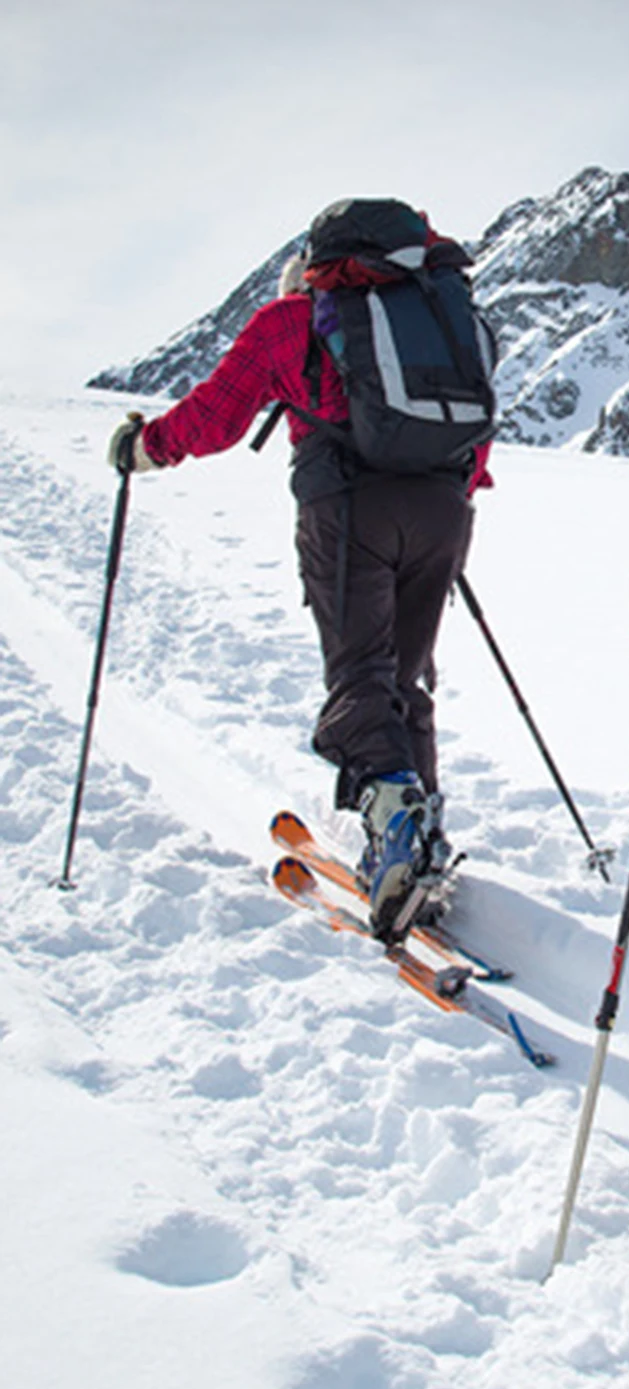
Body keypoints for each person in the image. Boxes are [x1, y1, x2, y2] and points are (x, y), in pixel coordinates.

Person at [106, 199, 493, 939]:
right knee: (404, 679)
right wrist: (444, 501)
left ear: (314, 269)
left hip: (347, 514)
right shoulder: (450, 322)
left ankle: (396, 821)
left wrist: (142, 448)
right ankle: (421, 844)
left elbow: (215, 415)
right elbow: (477, 427)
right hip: (444, 514)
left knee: (358, 675)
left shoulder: (293, 321)